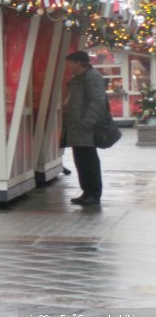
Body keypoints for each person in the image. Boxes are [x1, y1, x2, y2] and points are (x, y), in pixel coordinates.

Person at [61, 51, 108, 206]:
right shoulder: (78, 79)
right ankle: (86, 191)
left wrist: (87, 122)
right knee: (80, 160)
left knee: (89, 160)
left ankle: (94, 193)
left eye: (71, 63)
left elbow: (97, 102)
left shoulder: (92, 77)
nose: (69, 66)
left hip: (85, 128)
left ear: (79, 63)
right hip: (77, 128)